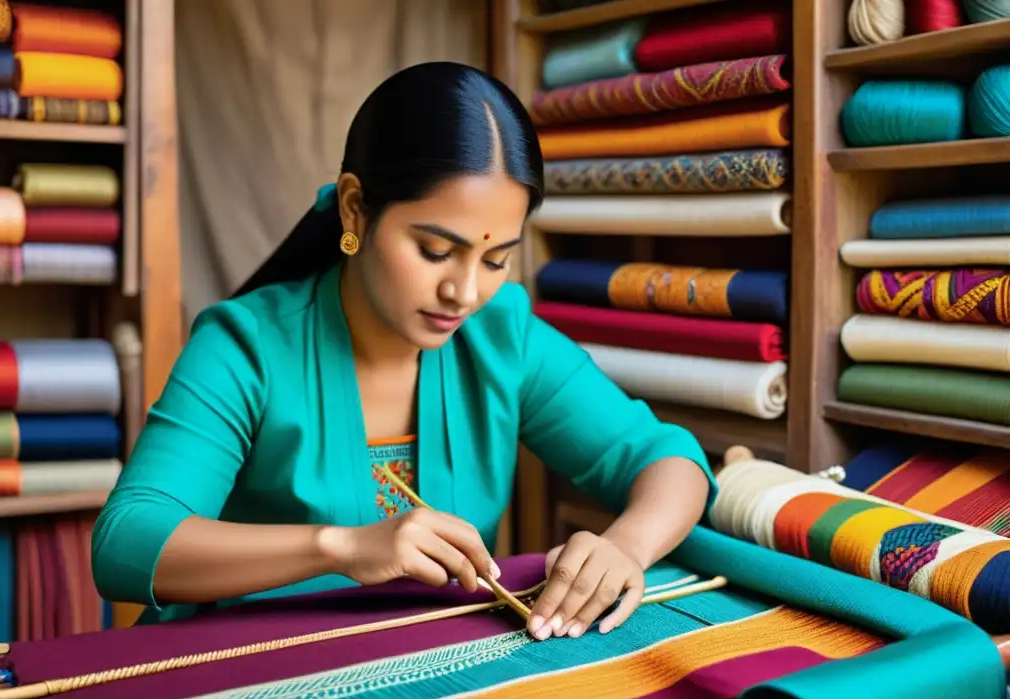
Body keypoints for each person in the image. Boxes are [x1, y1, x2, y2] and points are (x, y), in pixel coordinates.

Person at [91, 61, 716, 642]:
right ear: (356, 207)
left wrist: (627, 547)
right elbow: (129, 543)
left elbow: (668, 459)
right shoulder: (245, 346)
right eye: (436, 251)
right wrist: (342, 547)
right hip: (232, 675)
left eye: (496, 259)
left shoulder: (501, 335)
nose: (464, 291)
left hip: (416, 674)